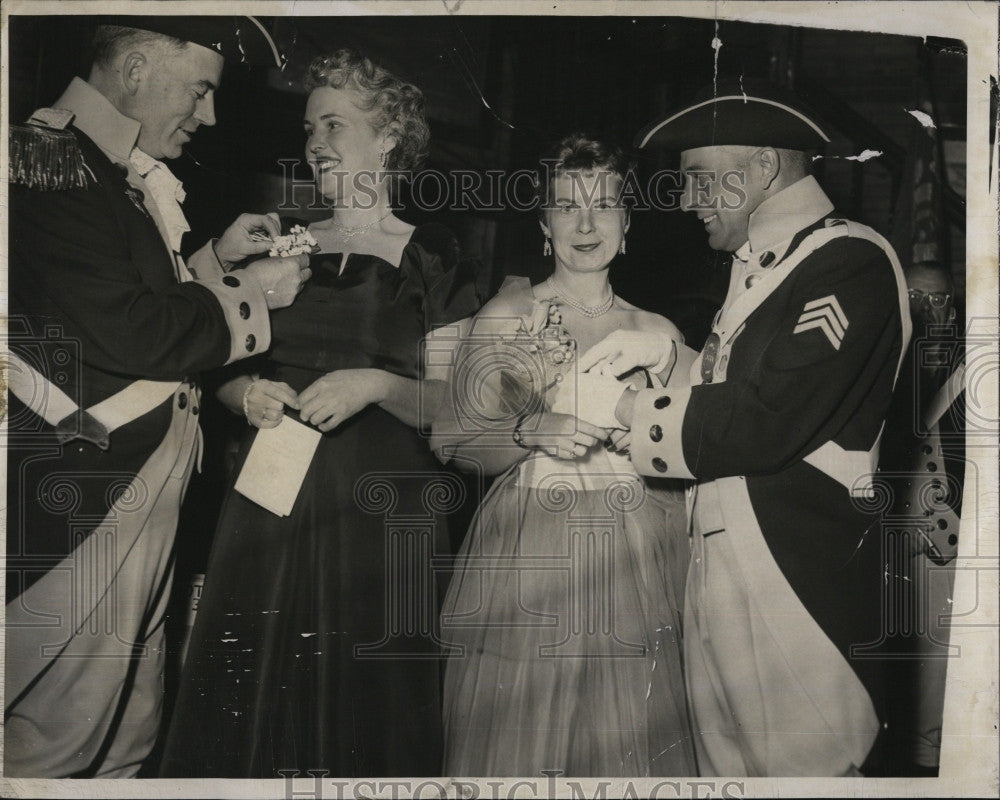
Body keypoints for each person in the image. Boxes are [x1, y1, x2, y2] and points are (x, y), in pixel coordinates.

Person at [159, 49, 481, 777]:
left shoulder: (433, 255)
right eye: (309, 129)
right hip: (267, 503)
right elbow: (209, 365)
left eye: (334, 125)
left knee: (367, 706)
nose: (315, 146)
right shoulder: (281, 241)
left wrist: (376, 384)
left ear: (389, 134)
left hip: (381, 512)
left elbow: (458, 411)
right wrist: (245, 394)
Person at [5, 17, 311, 778]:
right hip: (89, 497)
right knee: (55, 743)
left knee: (122, 736)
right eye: (201, 90)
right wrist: (252, 295)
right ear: (138, 65)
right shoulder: (48, 158)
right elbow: (129, 331)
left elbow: (122, 297)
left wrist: (213, 260)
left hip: (138, 491)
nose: (207, 116)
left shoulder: (111, 167)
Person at [577, 84, 912, 776]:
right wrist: (671, 359)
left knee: (804, 770)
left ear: (762, 169)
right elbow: (749, 390)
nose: (687, 197)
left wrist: (621, 408)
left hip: (794, 582)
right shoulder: (764, 264)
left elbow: (768, 417)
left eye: (701, 177)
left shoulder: (849, 261)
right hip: (722, 565)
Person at [432, 134, 697, 777]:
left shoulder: (658, 332)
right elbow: (451, 437)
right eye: (566, 206)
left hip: (642, 550)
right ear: (544, 223)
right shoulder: (511, 313)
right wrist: (532, 429)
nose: (585, 224)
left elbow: (702, 444)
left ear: (627, 223)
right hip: (532, 548)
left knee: (632, 730)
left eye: (603, 206)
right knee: (528, 737)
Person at [879, 263, 965, 775]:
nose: (923, 308)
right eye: (912, 295)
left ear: (951, 311)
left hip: (947, 552)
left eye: (936, 300)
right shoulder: (882, 363)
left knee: (937, 690)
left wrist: (948, 530)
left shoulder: (975, 372)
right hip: (888, 554)